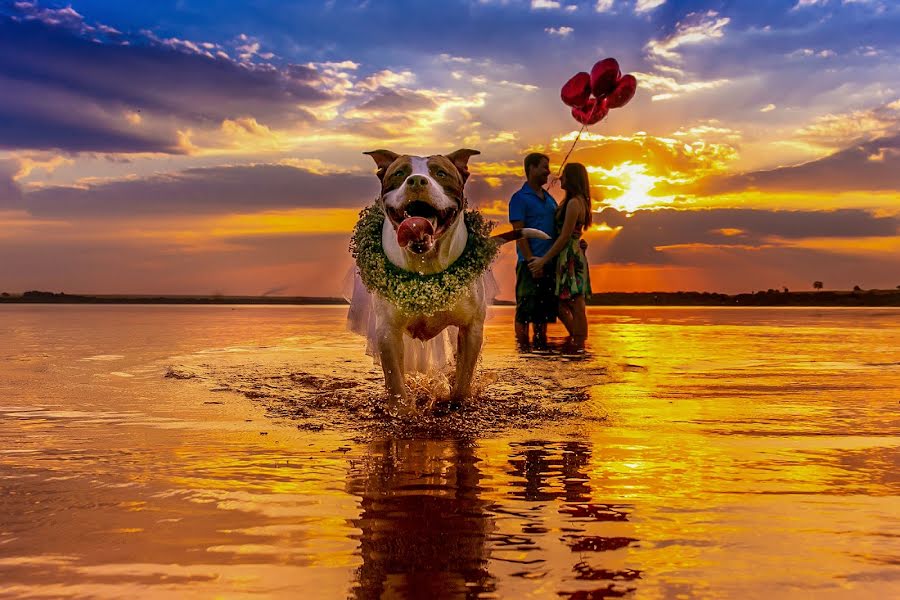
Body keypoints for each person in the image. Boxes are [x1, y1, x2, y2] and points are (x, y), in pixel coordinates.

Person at [528, 162, 592, 354]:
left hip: (569, 256)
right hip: (571, 254)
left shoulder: (574, 203)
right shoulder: (575, 201)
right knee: (564, 303)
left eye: (564, 175)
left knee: (575, 303)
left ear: (572, 179)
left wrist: (542, 260)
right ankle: (577, 344)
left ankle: (579, 345)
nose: (560, 178)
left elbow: (564, 237)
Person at [508, 152, 557, 353]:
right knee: (524, 313)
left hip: (548, 263)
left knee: (542, 316)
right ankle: (523, 352)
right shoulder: (519, 198)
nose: (549, 171)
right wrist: (530, 261)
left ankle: (540, 351)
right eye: (544, 167)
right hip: (529, 263)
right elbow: (519, 234)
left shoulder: (550, 198)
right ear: (532, 168)